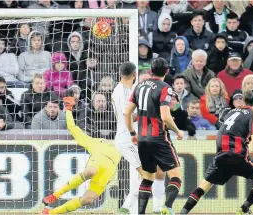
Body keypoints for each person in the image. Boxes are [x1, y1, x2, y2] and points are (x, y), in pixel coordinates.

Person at [181, 90, 253, 214]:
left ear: (244, 100)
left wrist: (248, 151)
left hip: (221, 155)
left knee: (204, 185)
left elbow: (231, 131)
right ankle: (243, 209)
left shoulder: (231, 112)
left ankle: (183, 212)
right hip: (237, 156)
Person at [41, 95, 122, 215]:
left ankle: (50, 213)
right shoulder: (92, 141)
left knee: (88, 199)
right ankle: (55, 195)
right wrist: (68, 109)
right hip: (99, 161)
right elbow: (72, 127)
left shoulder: (123, 144)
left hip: (109, 171)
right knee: (90, 171)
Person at [124, 57, 184, 214]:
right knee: (176, 177)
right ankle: (168, 207)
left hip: (142, 139)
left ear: (150, 71)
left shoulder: (139, 86)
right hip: (159, 138)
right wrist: (177, 131)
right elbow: (165, 116)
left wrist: (132, 133)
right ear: (166, 72)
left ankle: (141, 212)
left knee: (148, 178)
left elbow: (127, 112)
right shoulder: (165, 88)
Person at [112, 62, 165, 214]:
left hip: (135, 139)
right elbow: (127, 115)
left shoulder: (128, 90)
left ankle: (127, 208)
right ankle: (147, 209)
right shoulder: (121, 92)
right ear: (134, 74)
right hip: (127, 140)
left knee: (154, 172)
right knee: (149, 175)